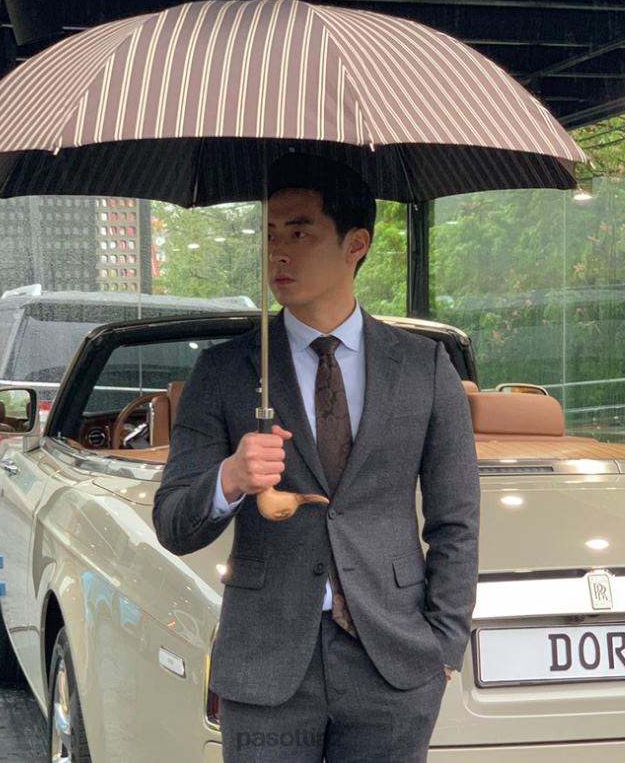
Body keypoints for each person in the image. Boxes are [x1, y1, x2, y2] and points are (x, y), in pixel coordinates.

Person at [153, 153, 480, 762]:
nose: (277, 253)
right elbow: (173, 523)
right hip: (267, 665)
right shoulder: (224, 371)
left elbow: (455, 519)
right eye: (270, 234)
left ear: (356, 244)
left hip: (393, 665)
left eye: (299, 233)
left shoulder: (423, 367)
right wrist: (230, 477)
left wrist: (443, 646)